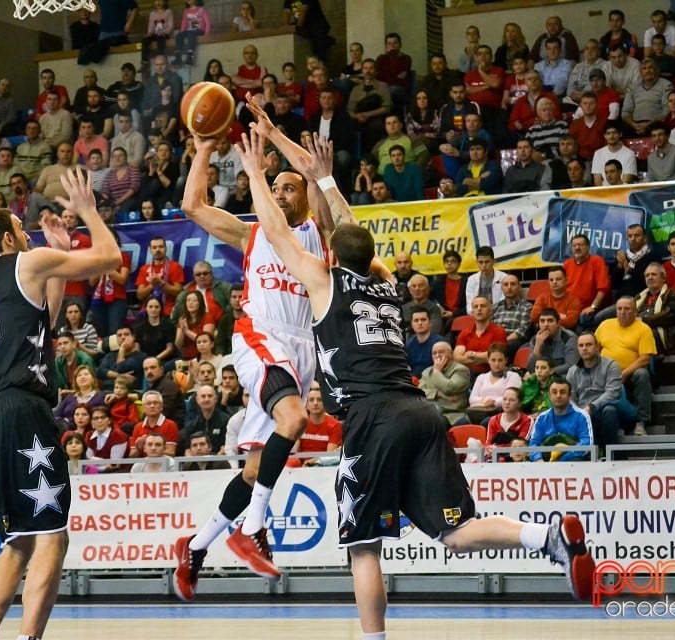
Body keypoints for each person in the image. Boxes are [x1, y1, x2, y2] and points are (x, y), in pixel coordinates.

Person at [235, 130, 594, 637]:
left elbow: (275, 232)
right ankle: (546, 535)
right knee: (455, 530)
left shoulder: (323, 281)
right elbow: (355, 232)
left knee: (363, 548)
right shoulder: (385, 280)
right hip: (422, 411)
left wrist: (254, 172)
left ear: (332, 255)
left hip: (371, 418)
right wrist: (328, 181)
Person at [174, 110, 350, 599]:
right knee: (294, 420)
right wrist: (206, 146)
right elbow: (192, 204)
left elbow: (315, 176)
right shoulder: (252, 233)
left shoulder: (319, 232)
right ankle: (253, 528)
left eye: (287, 189)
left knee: (255, 470)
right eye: (274, 188)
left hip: (302, 347)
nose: (279, 193)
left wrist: (274, 137)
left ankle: (196, 546)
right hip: (260, 336)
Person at [0, 169, 122, 640]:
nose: (27, 234)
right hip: (16, 408)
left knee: (17, 540)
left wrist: (62, 251)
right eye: (21, 229)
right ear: (9, 239)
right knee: (52, 534)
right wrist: (89, 211)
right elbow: (109, 257)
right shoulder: (25, 262)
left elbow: (42, 321)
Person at [595, 297, 657, 436]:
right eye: (619, 309)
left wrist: (624, 373)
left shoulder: (643, 329)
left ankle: (641, 421)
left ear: (635, 311)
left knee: (642, 374)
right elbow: (594, 350)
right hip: (606, 372)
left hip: (631, 372)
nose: (623, 312)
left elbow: (645, 359)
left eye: (627, 309)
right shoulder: (605, 325)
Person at [566, 332, 622, 451]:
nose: (584, 348)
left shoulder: (611, 365)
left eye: (588, 345)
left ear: (597, 347)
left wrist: (592, 407)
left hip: (604, 409)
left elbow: (612, 393)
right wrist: (579, 412)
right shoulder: (572, 371)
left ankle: (612, 457)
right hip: (582, 411)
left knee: (609, 411)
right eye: (581, 345)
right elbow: (570, 397)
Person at [527, 378, 594, 462]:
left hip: (572, 461)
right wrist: (538, 459)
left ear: (569, 396)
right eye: (554, 392)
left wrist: (559, 460)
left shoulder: (582, 416)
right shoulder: (542, 417)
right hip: (545, 463)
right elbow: (533, 444)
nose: (558, 395)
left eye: (562, 392)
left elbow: (586, 444)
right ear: (549, 395)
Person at [417, 341, 470, 424]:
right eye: (434, 353)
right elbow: (419, 393)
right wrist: (438, 394)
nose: (437, 355)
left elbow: (449, 388)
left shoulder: (461, 370)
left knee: (435, 423)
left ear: (451, 354)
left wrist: (437, 372)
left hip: (453, 414)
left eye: (441, 352)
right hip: (431, 412)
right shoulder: (426, 372)